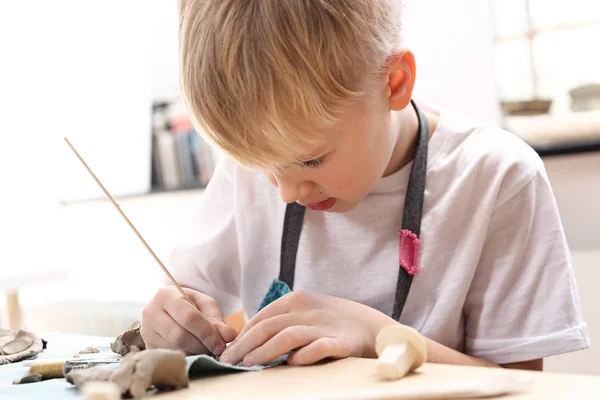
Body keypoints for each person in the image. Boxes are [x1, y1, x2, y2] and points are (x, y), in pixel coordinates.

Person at [140, 0, 589, 371]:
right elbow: (187, 300)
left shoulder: (497, 179)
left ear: (394, 83)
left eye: (310, 159)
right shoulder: (253, 167)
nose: (285, 191)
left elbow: (524, 389)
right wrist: (170, 320)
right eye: (264, 168)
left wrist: (375, 335)